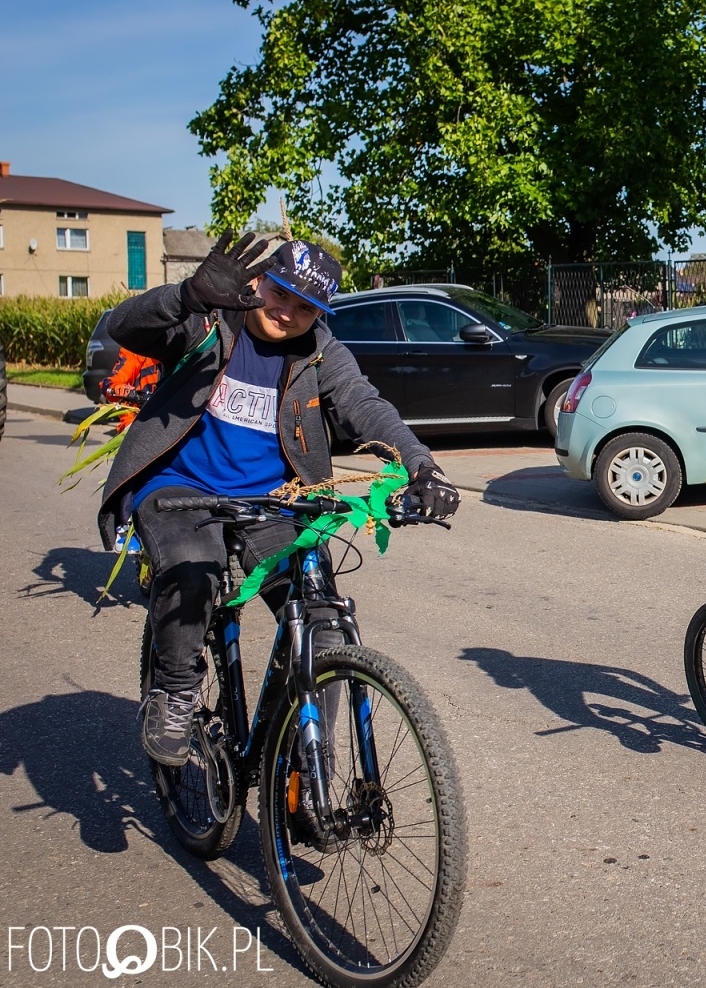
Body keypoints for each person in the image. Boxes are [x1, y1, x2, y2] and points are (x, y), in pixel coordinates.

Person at [96, 233, 461, 767]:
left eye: (305, 307)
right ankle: (175, 691)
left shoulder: (320, 352)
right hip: (180, 489)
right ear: (258, 281)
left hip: (275, 500)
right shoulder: (209, 322)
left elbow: (365, 405)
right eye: (280, 293)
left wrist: (421, 464)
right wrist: (187, 297)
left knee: (322, 621)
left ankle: (310, 761)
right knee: (195, 570)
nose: (288, 313)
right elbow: (125, 326)